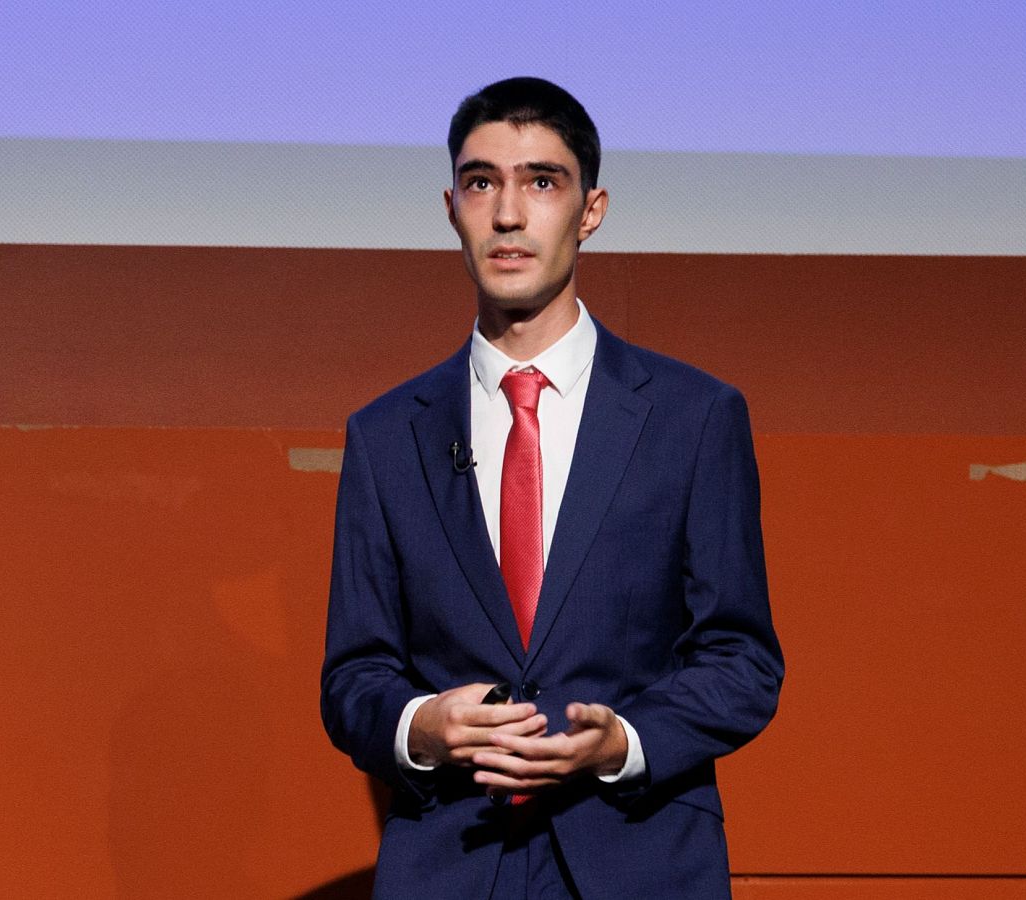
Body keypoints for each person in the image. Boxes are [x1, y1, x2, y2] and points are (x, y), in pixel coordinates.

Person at [320, 77, 783, 899]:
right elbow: (354, 677)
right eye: (481, 183)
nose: (507, 214)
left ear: (591, 209)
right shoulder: (388, 434)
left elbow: (741, 660)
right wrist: (422, 726)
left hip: (640, 858)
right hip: (451, 863)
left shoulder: (694, 417)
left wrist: (624, 743)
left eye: (541, 181)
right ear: (451, 207)